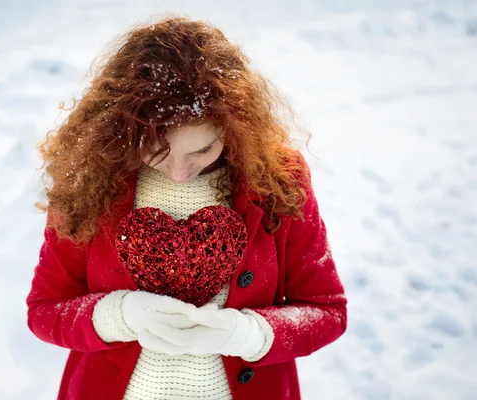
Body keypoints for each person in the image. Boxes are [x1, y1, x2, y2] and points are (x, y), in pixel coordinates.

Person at [26, 16, 347, 400]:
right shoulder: (90, 180)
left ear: (234, 128)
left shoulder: (279, 179)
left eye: (203, 150)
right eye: (157, 151)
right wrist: (120, 315)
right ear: (124, 129)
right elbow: (45, 311)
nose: (180, 173)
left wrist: (248, 333)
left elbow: (327, 311)